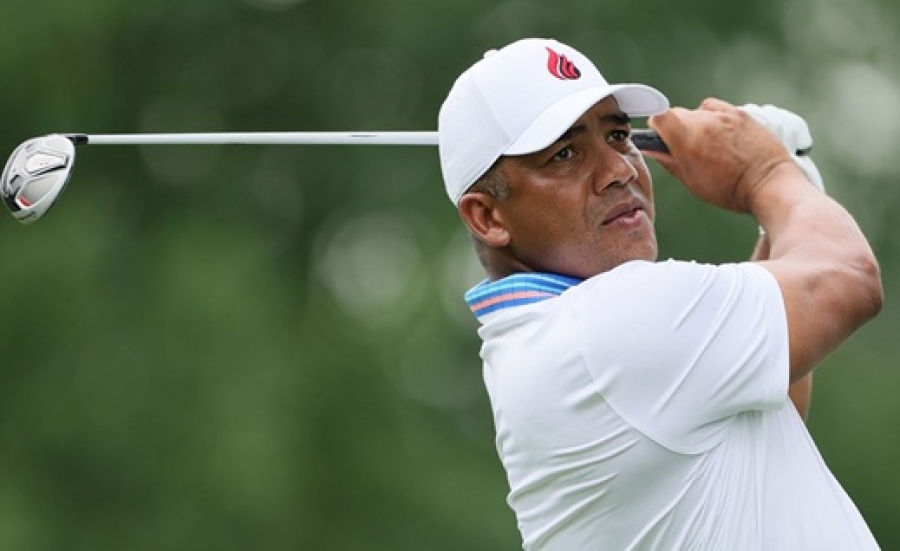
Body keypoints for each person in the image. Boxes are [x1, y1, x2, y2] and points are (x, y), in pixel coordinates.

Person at [437, 37, 883, 550]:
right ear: (487, 217)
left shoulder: (551, 339)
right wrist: (765, 172)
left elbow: (770, 399)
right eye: (565, 154)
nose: (620, 170)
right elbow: (849, 277)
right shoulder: (607, 322)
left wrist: (782, 202)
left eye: (618, 135)